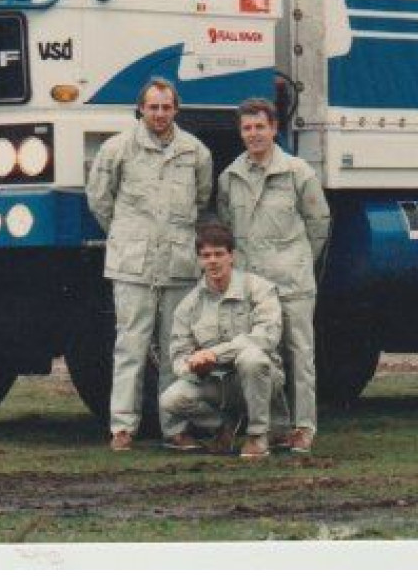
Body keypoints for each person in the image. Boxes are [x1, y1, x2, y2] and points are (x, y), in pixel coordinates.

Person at [86, 77, 214, 452]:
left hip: (177, 262)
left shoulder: (195, 152)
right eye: (153, 107)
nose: (159, 114)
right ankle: (122, 428)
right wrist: (127, 235)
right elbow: (99, 199)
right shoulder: (117, 149)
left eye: (166, 107)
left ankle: (173, 428)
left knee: (176, 349)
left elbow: (202, 201)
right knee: (131, 346)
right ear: (141, 108)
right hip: (133, 263)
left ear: (176, 109)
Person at [216, 97, 331, 455]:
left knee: (300, 355)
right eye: (247, 128)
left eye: (260, 127)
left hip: (293, 282)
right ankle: (275, 427)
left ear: (274, 129)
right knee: (262, 356)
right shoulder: (229, 177)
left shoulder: (298, 173)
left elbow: (319, 223)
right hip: (253, 287)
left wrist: (298, 262)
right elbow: (226, 227)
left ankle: (304, 427)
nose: (254, 134)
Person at [159, 222, 284, 461]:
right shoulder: (188, 305)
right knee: (170, 399)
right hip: (216, 383)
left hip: (262, 378)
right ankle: (223, 426)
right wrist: (194, 367)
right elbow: (178, 357)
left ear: (232, 256)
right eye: (206, 256)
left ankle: (258, 436)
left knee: (252, 357)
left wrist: (214, 354)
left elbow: (266, 337)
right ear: (198, 260)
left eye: (219, 254)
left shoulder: (258, 288)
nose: (213, 261)